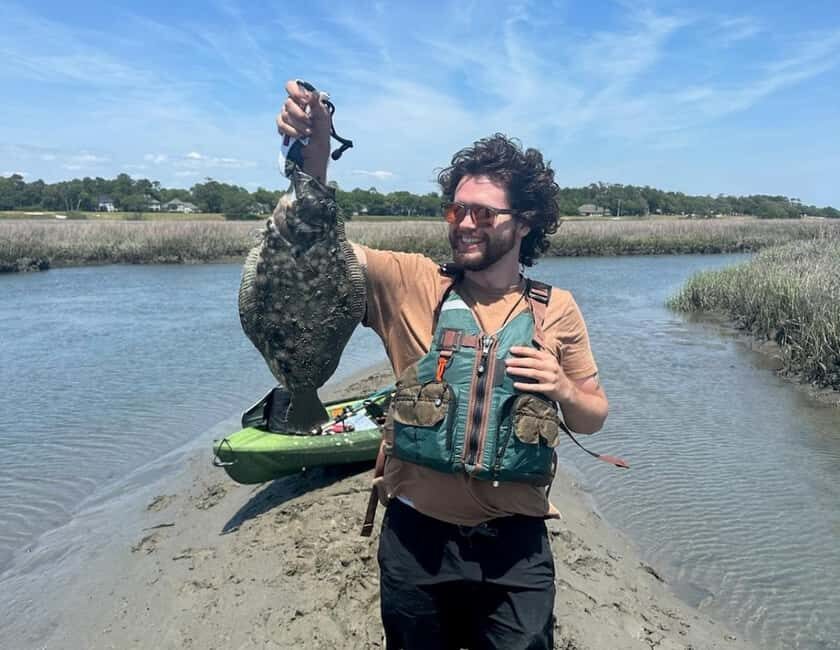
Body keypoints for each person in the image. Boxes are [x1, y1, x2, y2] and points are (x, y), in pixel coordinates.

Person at [276, 80, 608, 650]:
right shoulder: (409, 282)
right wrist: (314, 144)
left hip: (516, 548)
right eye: (457, 209)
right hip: (417, 542)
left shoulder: (557, 309)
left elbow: (594, 416)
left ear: (524, 222)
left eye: (483, 212)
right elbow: (314, 246)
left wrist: (562, 388)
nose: (465, 223)